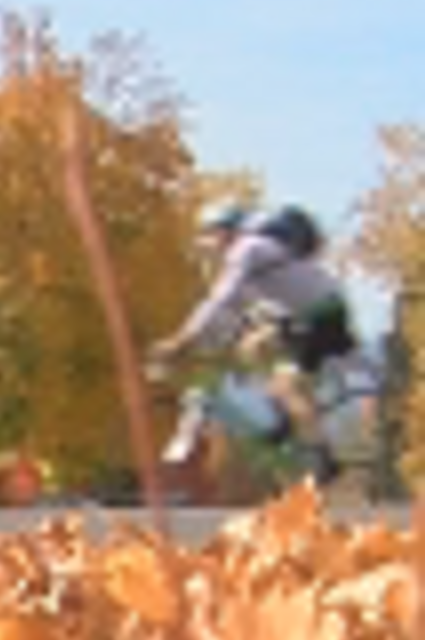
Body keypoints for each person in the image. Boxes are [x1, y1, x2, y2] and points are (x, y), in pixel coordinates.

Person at [148, 203, 360, 485]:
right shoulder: (259, 255)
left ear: (226, 232)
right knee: (251, 347)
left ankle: (323, 457)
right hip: (314, 312)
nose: (207, 244)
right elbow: (234, 312)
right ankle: (283, 417)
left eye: (211, 235)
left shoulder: (247, 248)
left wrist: (181, 341)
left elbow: (219, 299)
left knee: (287, 385)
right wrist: (202, 341)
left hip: (318, 315)